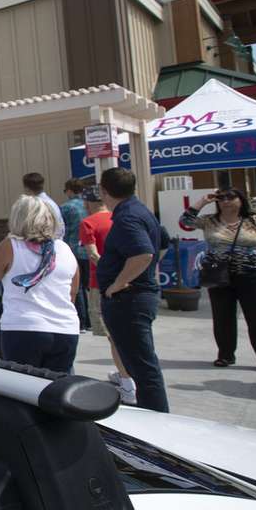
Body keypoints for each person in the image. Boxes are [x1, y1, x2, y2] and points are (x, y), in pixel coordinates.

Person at [180, 188, 256, 375]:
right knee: (222, 318)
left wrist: (253, 255)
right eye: (221, 198)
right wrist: (203, 201)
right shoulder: (210, 221)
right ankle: (226, 355)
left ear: (241, 200)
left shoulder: (254, 221)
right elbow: (185, 221)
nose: (226, 201)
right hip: (219, 276)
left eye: (231, 197)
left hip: (251, 275)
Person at [97, 167, 171, 413]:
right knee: (140, 363)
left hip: (129, 299)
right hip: (138, 296)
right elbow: (163, 242)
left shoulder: (127, 217)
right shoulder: (140, 211)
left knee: (141, 366)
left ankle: (156, 417)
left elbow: (143, 253)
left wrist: (118, 283)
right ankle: (153, 409)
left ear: (103, 191)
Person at [0, 196, 80, 370]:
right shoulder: (64, 249)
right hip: (65, 328)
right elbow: (73, 291)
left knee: (22, 389)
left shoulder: (11, 246)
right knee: (56, 390)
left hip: (23, 327)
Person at [80, 186, 134, 404]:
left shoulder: (88, 223)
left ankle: (127, 382)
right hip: (131, 283)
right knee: (127, 333)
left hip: (102, 284)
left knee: (114, 336)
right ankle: (125, 373)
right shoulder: (120, 218)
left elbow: (93, 254)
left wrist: (111, 275)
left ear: (87, 202)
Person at [60, 178, 89, 331]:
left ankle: (82, 322)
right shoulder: (88, 206)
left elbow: (59, 230)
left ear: (69, 190)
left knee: (77, 287)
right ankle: (92, 321)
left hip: (72, 251)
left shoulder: (65, 208)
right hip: (89, 250)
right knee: (89, 287)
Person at [22, 172, 64, 238]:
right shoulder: (52, 203)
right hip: (57, 242)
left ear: (27, 188)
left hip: (46, 244)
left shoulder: (36, 205)